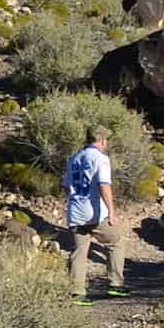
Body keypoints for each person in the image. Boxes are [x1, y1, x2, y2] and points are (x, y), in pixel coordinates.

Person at [64, 125, 128, 303]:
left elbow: (66, 186)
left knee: (79, 252)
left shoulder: (75, 158)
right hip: (95, 213)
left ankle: (77, 292)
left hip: (76, 211)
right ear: (102, 140)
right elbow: (104, 186)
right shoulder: (100, 158)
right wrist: (112, 212)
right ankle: (116, 284)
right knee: (115, 242)